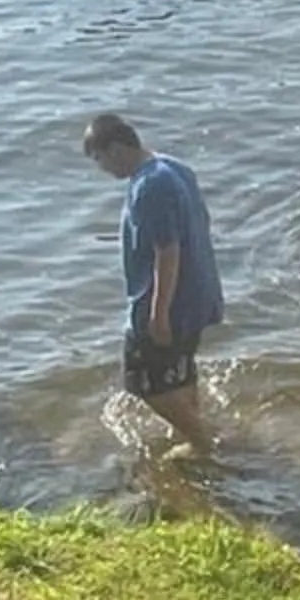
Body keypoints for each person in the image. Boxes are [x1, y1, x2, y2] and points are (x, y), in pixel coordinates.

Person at [82, 112, 225, 439]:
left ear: (116, 149)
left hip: (168, 303)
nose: (101, 169)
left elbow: (167, 253)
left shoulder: (149, 187)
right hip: (197, 296)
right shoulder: (174, 168)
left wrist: (158, 316)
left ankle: (202, 439)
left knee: (142, 385)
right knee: (179, 370)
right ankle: (190, 429)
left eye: (99, 159)